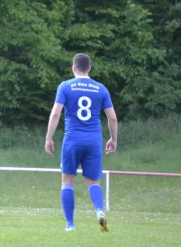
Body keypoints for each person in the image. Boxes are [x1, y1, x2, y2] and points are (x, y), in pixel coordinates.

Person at [45, 53, 118, 232]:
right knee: (93, 182)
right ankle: (100, 213)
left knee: (67, 181)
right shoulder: (100, 88)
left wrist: (49, 137)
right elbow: (113, 118)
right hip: (93, 141)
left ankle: (70, 225)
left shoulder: (65, 86)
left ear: (74, 68)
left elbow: (55, 114)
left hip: (72, 139)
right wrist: (113, 139)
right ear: (90, 69)